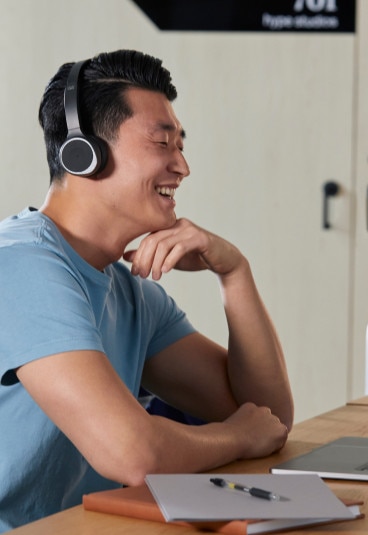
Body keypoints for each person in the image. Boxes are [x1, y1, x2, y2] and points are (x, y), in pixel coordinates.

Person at [0, 49, 293, 532]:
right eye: (163, 144)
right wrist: (236, 437)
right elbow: (132, 454)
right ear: (84, 153)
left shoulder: (129, 290)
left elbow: (269, 418)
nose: (183, 166)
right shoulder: (22, 265)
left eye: (182, 145)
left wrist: (235, 273)